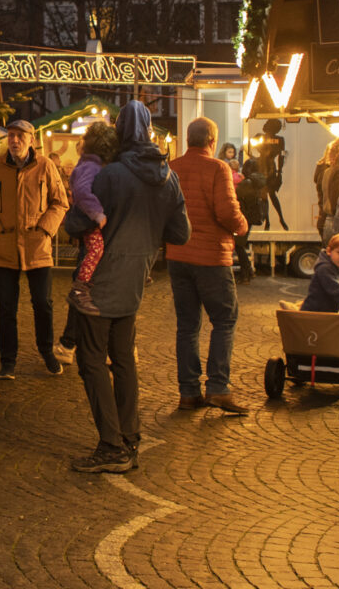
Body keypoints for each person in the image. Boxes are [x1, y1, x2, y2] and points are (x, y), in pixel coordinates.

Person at [60, 101, 189, 474]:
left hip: (99, 283)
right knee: (123, 359)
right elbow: (180, 233)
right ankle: (129, 436)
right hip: (134, 282)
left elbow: (75, 223)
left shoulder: (110, 175)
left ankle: (111, 445)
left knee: (91, 361)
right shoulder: (168, 177)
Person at [0, 118, 70, 378]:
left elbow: (60, 202)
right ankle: (8, 360)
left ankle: (47, 351)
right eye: (11, 135)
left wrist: (45, 229)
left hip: (37, 246)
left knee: (43, 303)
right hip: (5, 246)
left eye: (20, 136)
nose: (14, 140)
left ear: (31, 140)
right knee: (6, 307)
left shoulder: (45, 166)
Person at [168, 117, 251, 415]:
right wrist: (242, 226)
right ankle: (218, 388)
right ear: (212, 141)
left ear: (189, 139)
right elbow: (227, 211)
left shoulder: (172, 168)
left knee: (187, 325)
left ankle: (188, 393)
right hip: (212, 257)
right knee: (225, 319)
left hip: (178, 256)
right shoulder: (218, 168)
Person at [64, 121, 120, 324]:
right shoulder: (91, 166)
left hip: (86, 218)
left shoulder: (88, 163)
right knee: (95, 250)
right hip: (87, 220)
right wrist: (98, 214)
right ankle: (80, 289)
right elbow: (82, 192)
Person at [254, 117, 288, 230]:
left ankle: (270, 221)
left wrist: (279, 172)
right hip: (270, 167)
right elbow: (281, 156)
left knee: (268, 195)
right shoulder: (280, 139)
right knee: (270, 195)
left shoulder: (260, 138)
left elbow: (256, 149)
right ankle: (277, 219)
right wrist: (279, 171)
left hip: (263, 166)